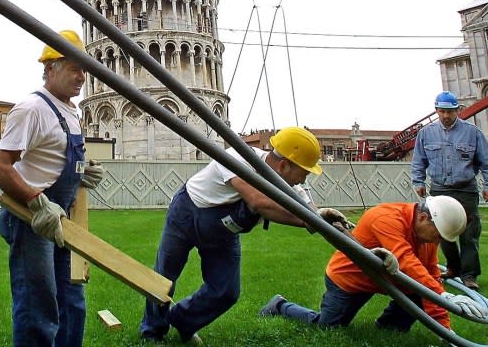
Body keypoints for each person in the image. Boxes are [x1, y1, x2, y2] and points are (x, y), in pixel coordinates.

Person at [139, 127, 349, 344]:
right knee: (164, 276)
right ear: (284, 165)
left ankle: (182, 320)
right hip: (186, 214)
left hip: (223, 232)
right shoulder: (236, 157)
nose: (304, 180)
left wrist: (321, 216)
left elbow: (307, 207)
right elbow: (258, 202)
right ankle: (152, 331)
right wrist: (307, 220)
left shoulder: (289, 185)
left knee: (226, 292)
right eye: (304, 173)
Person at [0, 30, 104, 347]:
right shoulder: (31, 109)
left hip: (62, 220)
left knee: (72, 300)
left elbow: (52, 161)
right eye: (73, 68)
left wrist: (81, 173)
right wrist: (37, 204)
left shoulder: (72, 112)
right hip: (31, 219)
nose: (82, 76)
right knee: (38, 305)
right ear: (50, 68)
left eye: (84, 69)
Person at [258, 195, 485, 332]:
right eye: (438, 235)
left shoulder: (427, 233)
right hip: (350, 279)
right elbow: (405, 260)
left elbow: (430, 274)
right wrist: (443, 296)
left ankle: (389, 327)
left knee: (422, 289)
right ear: (424, 217)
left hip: (390, 277)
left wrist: (445, 331)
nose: (437, 242)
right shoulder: (387, 218)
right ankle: (279, 306)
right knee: (327, 327)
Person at [410, 90, 488, 290]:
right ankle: (453, 268)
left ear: (457, 110)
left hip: (466, 189)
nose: (446, 116)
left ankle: (469, 275)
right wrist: (419, 182)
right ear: (436, 111)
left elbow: (487, 161)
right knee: (442, 230)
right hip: (439, 189)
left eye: (450, 112)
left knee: (469, 233)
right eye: (441, 112)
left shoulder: (472, 132)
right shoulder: (426, 133)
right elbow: (418, 161)